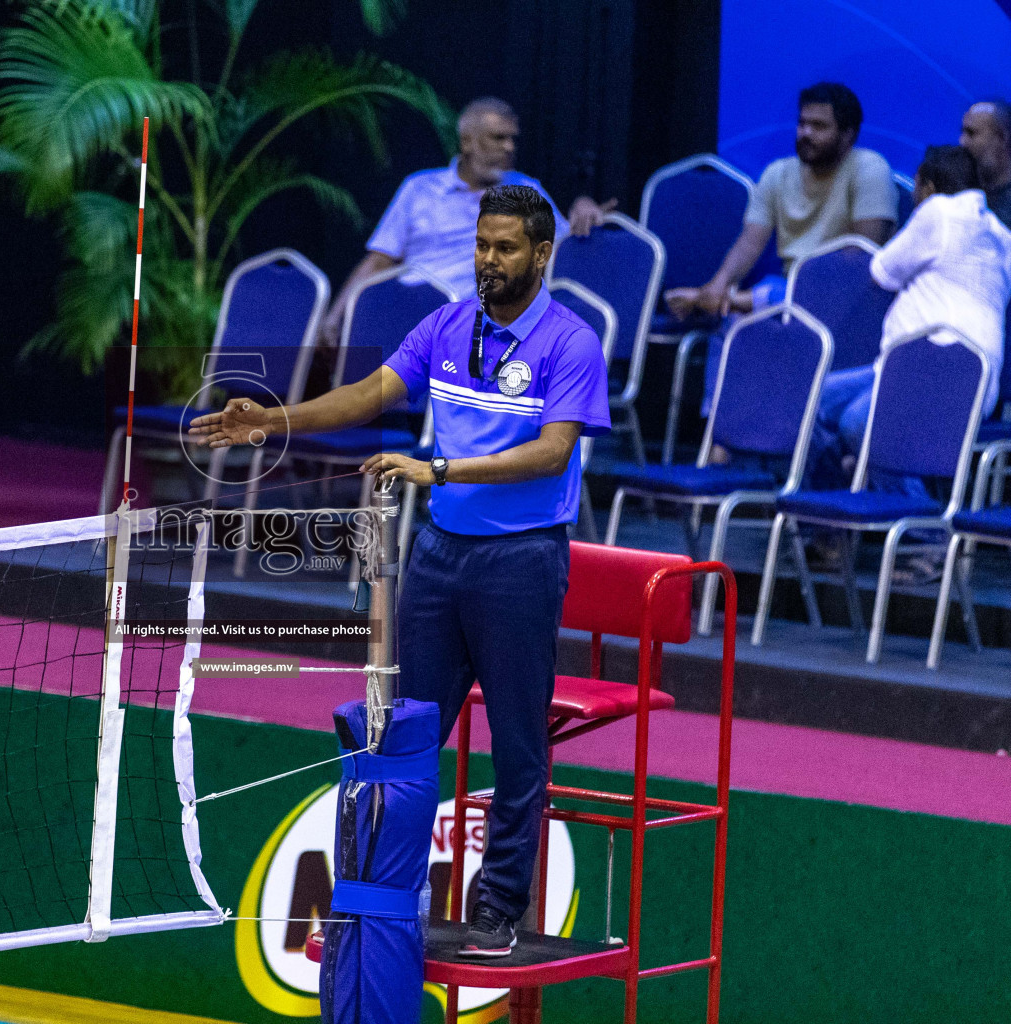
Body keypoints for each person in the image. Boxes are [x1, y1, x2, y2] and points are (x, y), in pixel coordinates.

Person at [191, 185, 611, 957]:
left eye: (506, 248)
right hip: (440, 560)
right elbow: (366, 395)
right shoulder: (448, 324)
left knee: (517, 744)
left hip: (521, 561)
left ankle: (498, 910)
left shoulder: (570, 342)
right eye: (483, 245)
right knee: (409, 733)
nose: (489, 260)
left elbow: (554, 451)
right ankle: (387, 897)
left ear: (542, 254)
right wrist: (273, 418)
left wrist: (440, 469)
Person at [808, 145, 1011, 582]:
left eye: (916, 188)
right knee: (817, 402)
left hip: (938, 372)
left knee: (861, 424)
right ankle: (832, 528)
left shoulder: (938, 212)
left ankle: (928, 538)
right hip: (942, 374)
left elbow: (882, 271)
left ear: (928, 187)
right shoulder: (998, 231)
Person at [664, 82, 897, 423]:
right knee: (731, 321)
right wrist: (717, 287)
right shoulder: (778, 173)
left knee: (765, 297)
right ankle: (720, 437)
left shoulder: (870, 168)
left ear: (848, 134)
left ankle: (744, 299)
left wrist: (729, 294)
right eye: (802, 124)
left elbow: (860, 259)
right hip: (788, 292)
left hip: (849, 300)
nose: (805, 133)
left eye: (819, 127)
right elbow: (749, 242)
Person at [316, 98, 567, 344]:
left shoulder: (527, 190)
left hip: (476, 323)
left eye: (513, 139)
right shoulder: (419, 188)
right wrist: (335, 318)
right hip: (405, 313)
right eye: (498, 138)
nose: (509, 147)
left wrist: (584, 206)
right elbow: (379, 260)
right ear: (467, 142)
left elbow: (567, 246)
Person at [959, 99, 1011, 228]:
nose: (962, 142)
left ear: (1002, 138)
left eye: (971, 133)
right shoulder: (962, 192)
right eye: (962, 132)